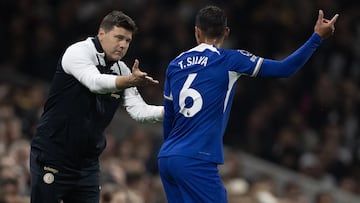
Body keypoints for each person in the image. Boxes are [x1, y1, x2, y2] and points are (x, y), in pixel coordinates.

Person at [158, 5, 338, 203]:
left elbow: (169, 116)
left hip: (167, 157)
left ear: (197, 31)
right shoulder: (230, 59)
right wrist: (317, 38)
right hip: (197, 158)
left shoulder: (175, 64)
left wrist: (171, 151)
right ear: (226, 32)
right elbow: (284, 69)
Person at [30, 10, 163, 203]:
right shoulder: (79, 52)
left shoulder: (122, 70)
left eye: (127, 41)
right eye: (118, 37)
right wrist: (128, 81)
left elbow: (139, 110)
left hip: (87, 165)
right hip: (53, 155)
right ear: (101, 34)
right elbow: (95, 82)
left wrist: (172, 112)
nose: (123, 45)